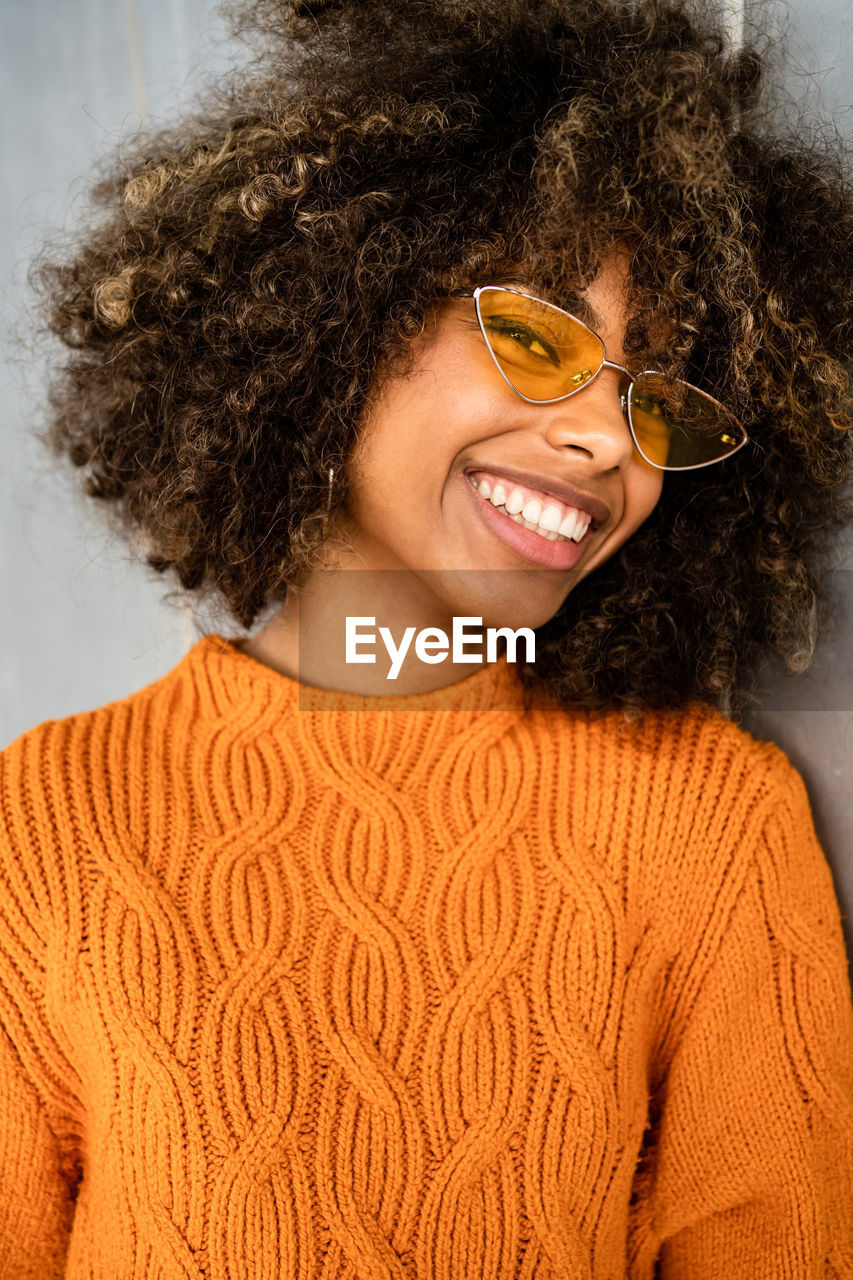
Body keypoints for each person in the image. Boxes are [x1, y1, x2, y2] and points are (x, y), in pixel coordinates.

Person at [2, 0, 852, 1275]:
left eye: (656, 393)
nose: (606, 438)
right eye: (530, 335)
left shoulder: (711, 828)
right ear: (331, 313)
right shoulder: (46, 825)